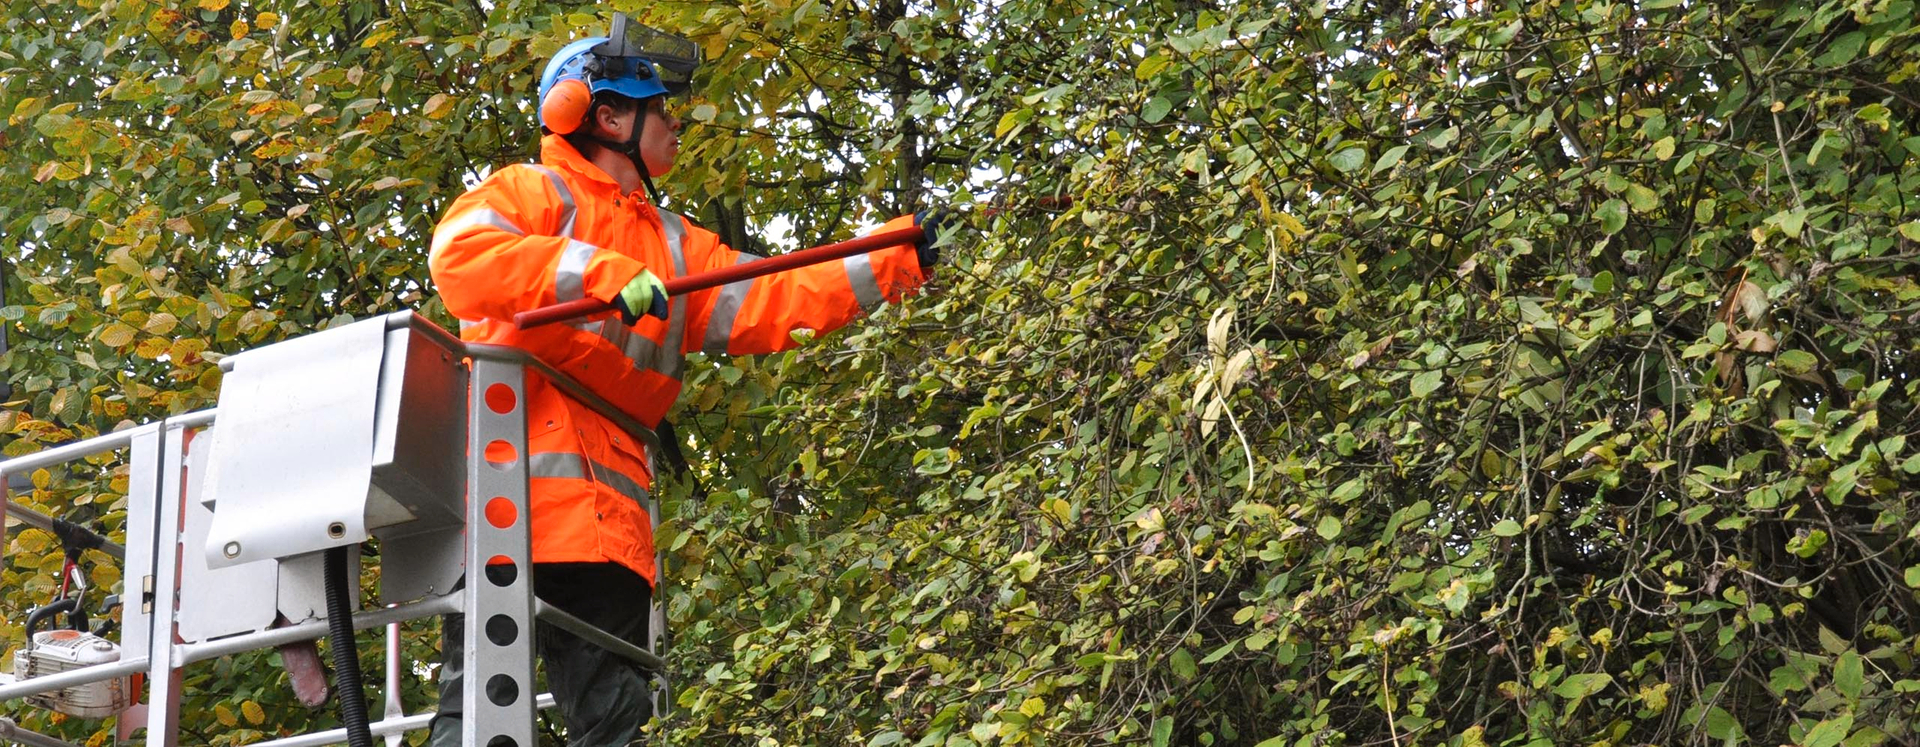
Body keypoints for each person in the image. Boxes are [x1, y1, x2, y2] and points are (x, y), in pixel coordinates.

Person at [424, 12, 950, 745]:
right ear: (605, 115)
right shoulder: (530, 193)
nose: (674, 122)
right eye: (657, 106)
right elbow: (460, 259)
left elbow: (775, 295)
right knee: (473, 723)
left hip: (608, 534)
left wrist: (896, 255)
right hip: (509, 514)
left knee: (618, 725)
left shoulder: (671, 243)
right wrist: (602, 271)